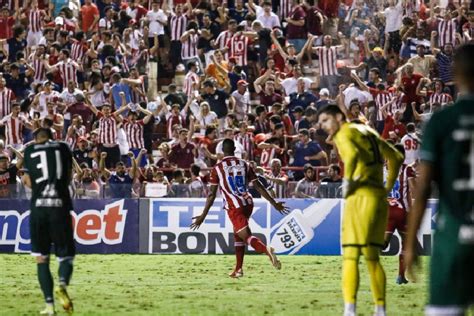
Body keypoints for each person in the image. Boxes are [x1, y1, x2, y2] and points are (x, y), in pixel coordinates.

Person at [405, 44, 474, 316]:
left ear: (455, 73)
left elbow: (422, 190)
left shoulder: (441, 121)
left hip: (453, 236)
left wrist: (410, 245)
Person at [317, 105, 403, 316]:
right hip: (378, 199)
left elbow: (353, 155)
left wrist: (350, 182)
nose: (324, 126)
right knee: (373, 258)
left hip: (360, 198)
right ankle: (380, 310)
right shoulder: (370, 133)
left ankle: (350, 311)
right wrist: (387, 187)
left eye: (326, 120)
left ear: (339, 117)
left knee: (350, 256)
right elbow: (397, 158)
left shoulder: (345, 132)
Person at [190, 139, 289, 278]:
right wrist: (274, 203)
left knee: (246, 236)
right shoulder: (245, 164)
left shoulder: (217, 168)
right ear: (235, 148)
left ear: (222, 151)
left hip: (234, 206)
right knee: (238, 234)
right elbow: (258, 186)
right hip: (248, 203)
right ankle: (238, 270)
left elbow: (212, 194)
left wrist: (203, 215)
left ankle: (267, 251)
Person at [21, 127, 75, 315]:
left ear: (37, 140)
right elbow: (68, 177)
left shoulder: (29, 150)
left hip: (38, 209)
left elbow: (27, 180)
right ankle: (62, 284)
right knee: (66, 255)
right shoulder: (63, 147)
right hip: (60, 207)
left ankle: (49, 306)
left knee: (41, 258)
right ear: (52, 138)